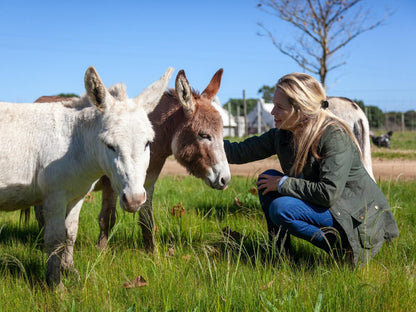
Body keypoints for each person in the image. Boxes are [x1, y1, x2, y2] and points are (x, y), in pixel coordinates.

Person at [224, 73, 399, 265]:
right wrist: (203, 141)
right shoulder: (283, 134)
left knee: (281, 208)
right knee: (267, 178)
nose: (272, 112)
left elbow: (328, 193)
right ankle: (281, 257)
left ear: (301, 110)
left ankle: (343, 250)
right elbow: (240, 151)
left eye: (279, 107)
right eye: (273, 105)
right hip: (330, 207)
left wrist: (283, 184)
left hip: (353, 216)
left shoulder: (333, 136)